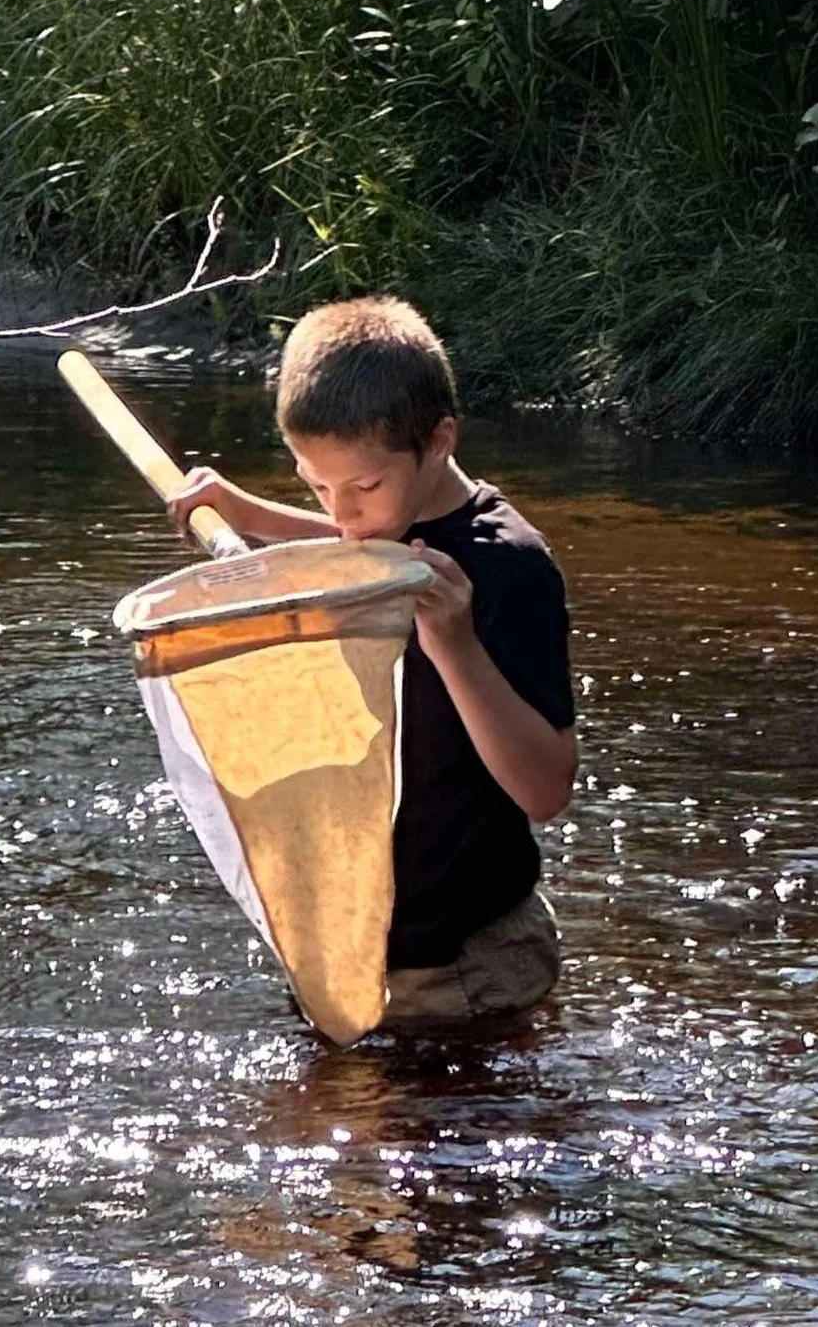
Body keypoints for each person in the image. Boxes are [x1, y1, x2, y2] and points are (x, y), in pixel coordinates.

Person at [168, 295, 576, 1036]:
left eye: (363, 485)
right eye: (316, 485)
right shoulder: (388, 519)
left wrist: (455, 648)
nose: (343, 513)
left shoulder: (507, 568)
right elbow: (365, 540)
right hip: (357, 946)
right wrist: (251, 513)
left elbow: (547, 787)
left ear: (440, 440)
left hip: (465, 967)